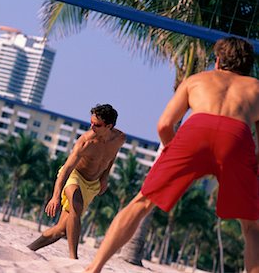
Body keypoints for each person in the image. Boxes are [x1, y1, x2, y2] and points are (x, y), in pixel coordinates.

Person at [84, 37, 259, 273]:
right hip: (237, 138)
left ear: (217, 61)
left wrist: (172, 151)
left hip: (195, 132)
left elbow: (165, 125)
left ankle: (94, 268)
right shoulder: (256, 88)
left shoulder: (196, 80)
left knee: (141, 203)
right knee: (251, 225)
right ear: (249, 65)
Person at [28, 104, 125, 259]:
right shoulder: (85, 142)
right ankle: (74, 258)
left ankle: (30, 248)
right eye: (91, 122)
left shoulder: (120, 138)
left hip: (92, 185)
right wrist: (55, 197)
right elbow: (66, 169)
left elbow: (111, 156)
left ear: (109, 126)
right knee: (76, 205)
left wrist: (105, 176)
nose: (92, 127)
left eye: (97, 125)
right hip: (74, 176)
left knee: (61, 230)